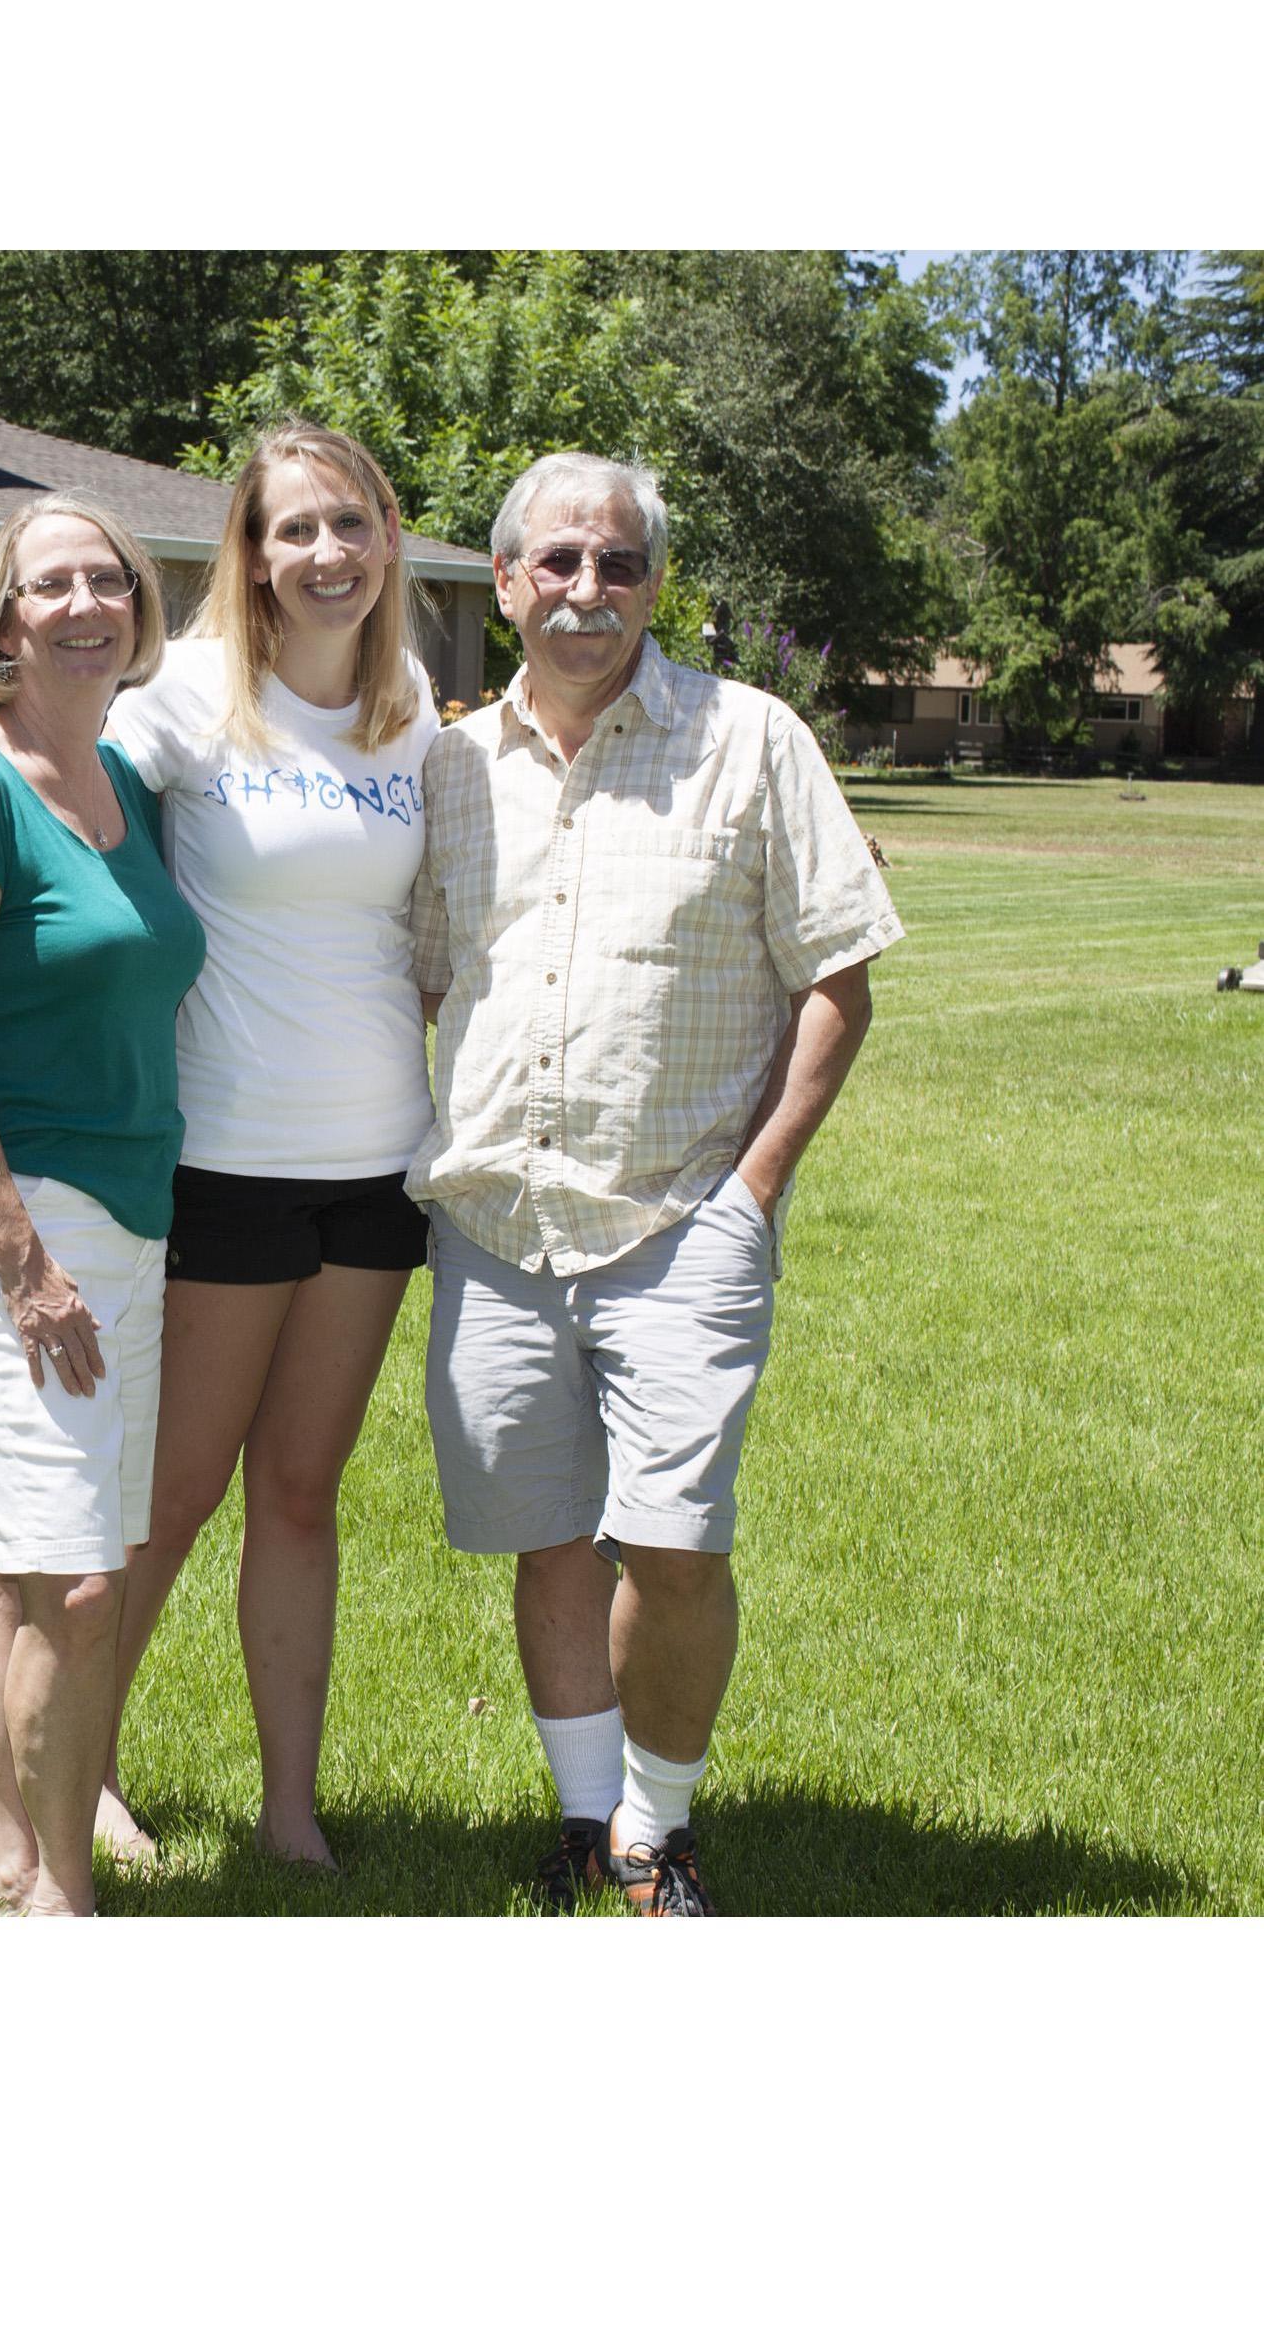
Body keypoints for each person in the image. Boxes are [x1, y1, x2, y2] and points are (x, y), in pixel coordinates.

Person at [0, 420, 440, 1869]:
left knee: (298, 1497)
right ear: (247, 553)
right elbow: (45, 793)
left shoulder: (415, 710)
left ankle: (289, 1811)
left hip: (380, 1163)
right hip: (222, 1153)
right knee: (155, 1509)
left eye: (351, 523)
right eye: (293, 528)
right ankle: (80, 1785)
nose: (326, 553)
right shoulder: (188, 692)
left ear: (390, 540)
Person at [408, 451, 904, 1914]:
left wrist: (754, 1190)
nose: (589, 589)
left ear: (655, 584)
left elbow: (838, 978)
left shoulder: (751, 741)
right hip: (495, 1223)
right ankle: (587, 1818)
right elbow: (401, 967)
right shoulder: (450, 768)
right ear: (506, 582)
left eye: (618, 563)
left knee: (675, 1545)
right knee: (549, 1537)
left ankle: (660, 1825)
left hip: (684, 1219)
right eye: (558, 561)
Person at [0, 490, 204, 1917]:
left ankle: (3, 1864)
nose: (83, 606)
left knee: (48, 1564)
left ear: (140, 607)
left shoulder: (127, 785)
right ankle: (61, 1901)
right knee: (73, 1580)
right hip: (1, 1221)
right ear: (1, 620)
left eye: (107, 581)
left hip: (128, 1214)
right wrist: (25, 1264)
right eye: (48, 585)